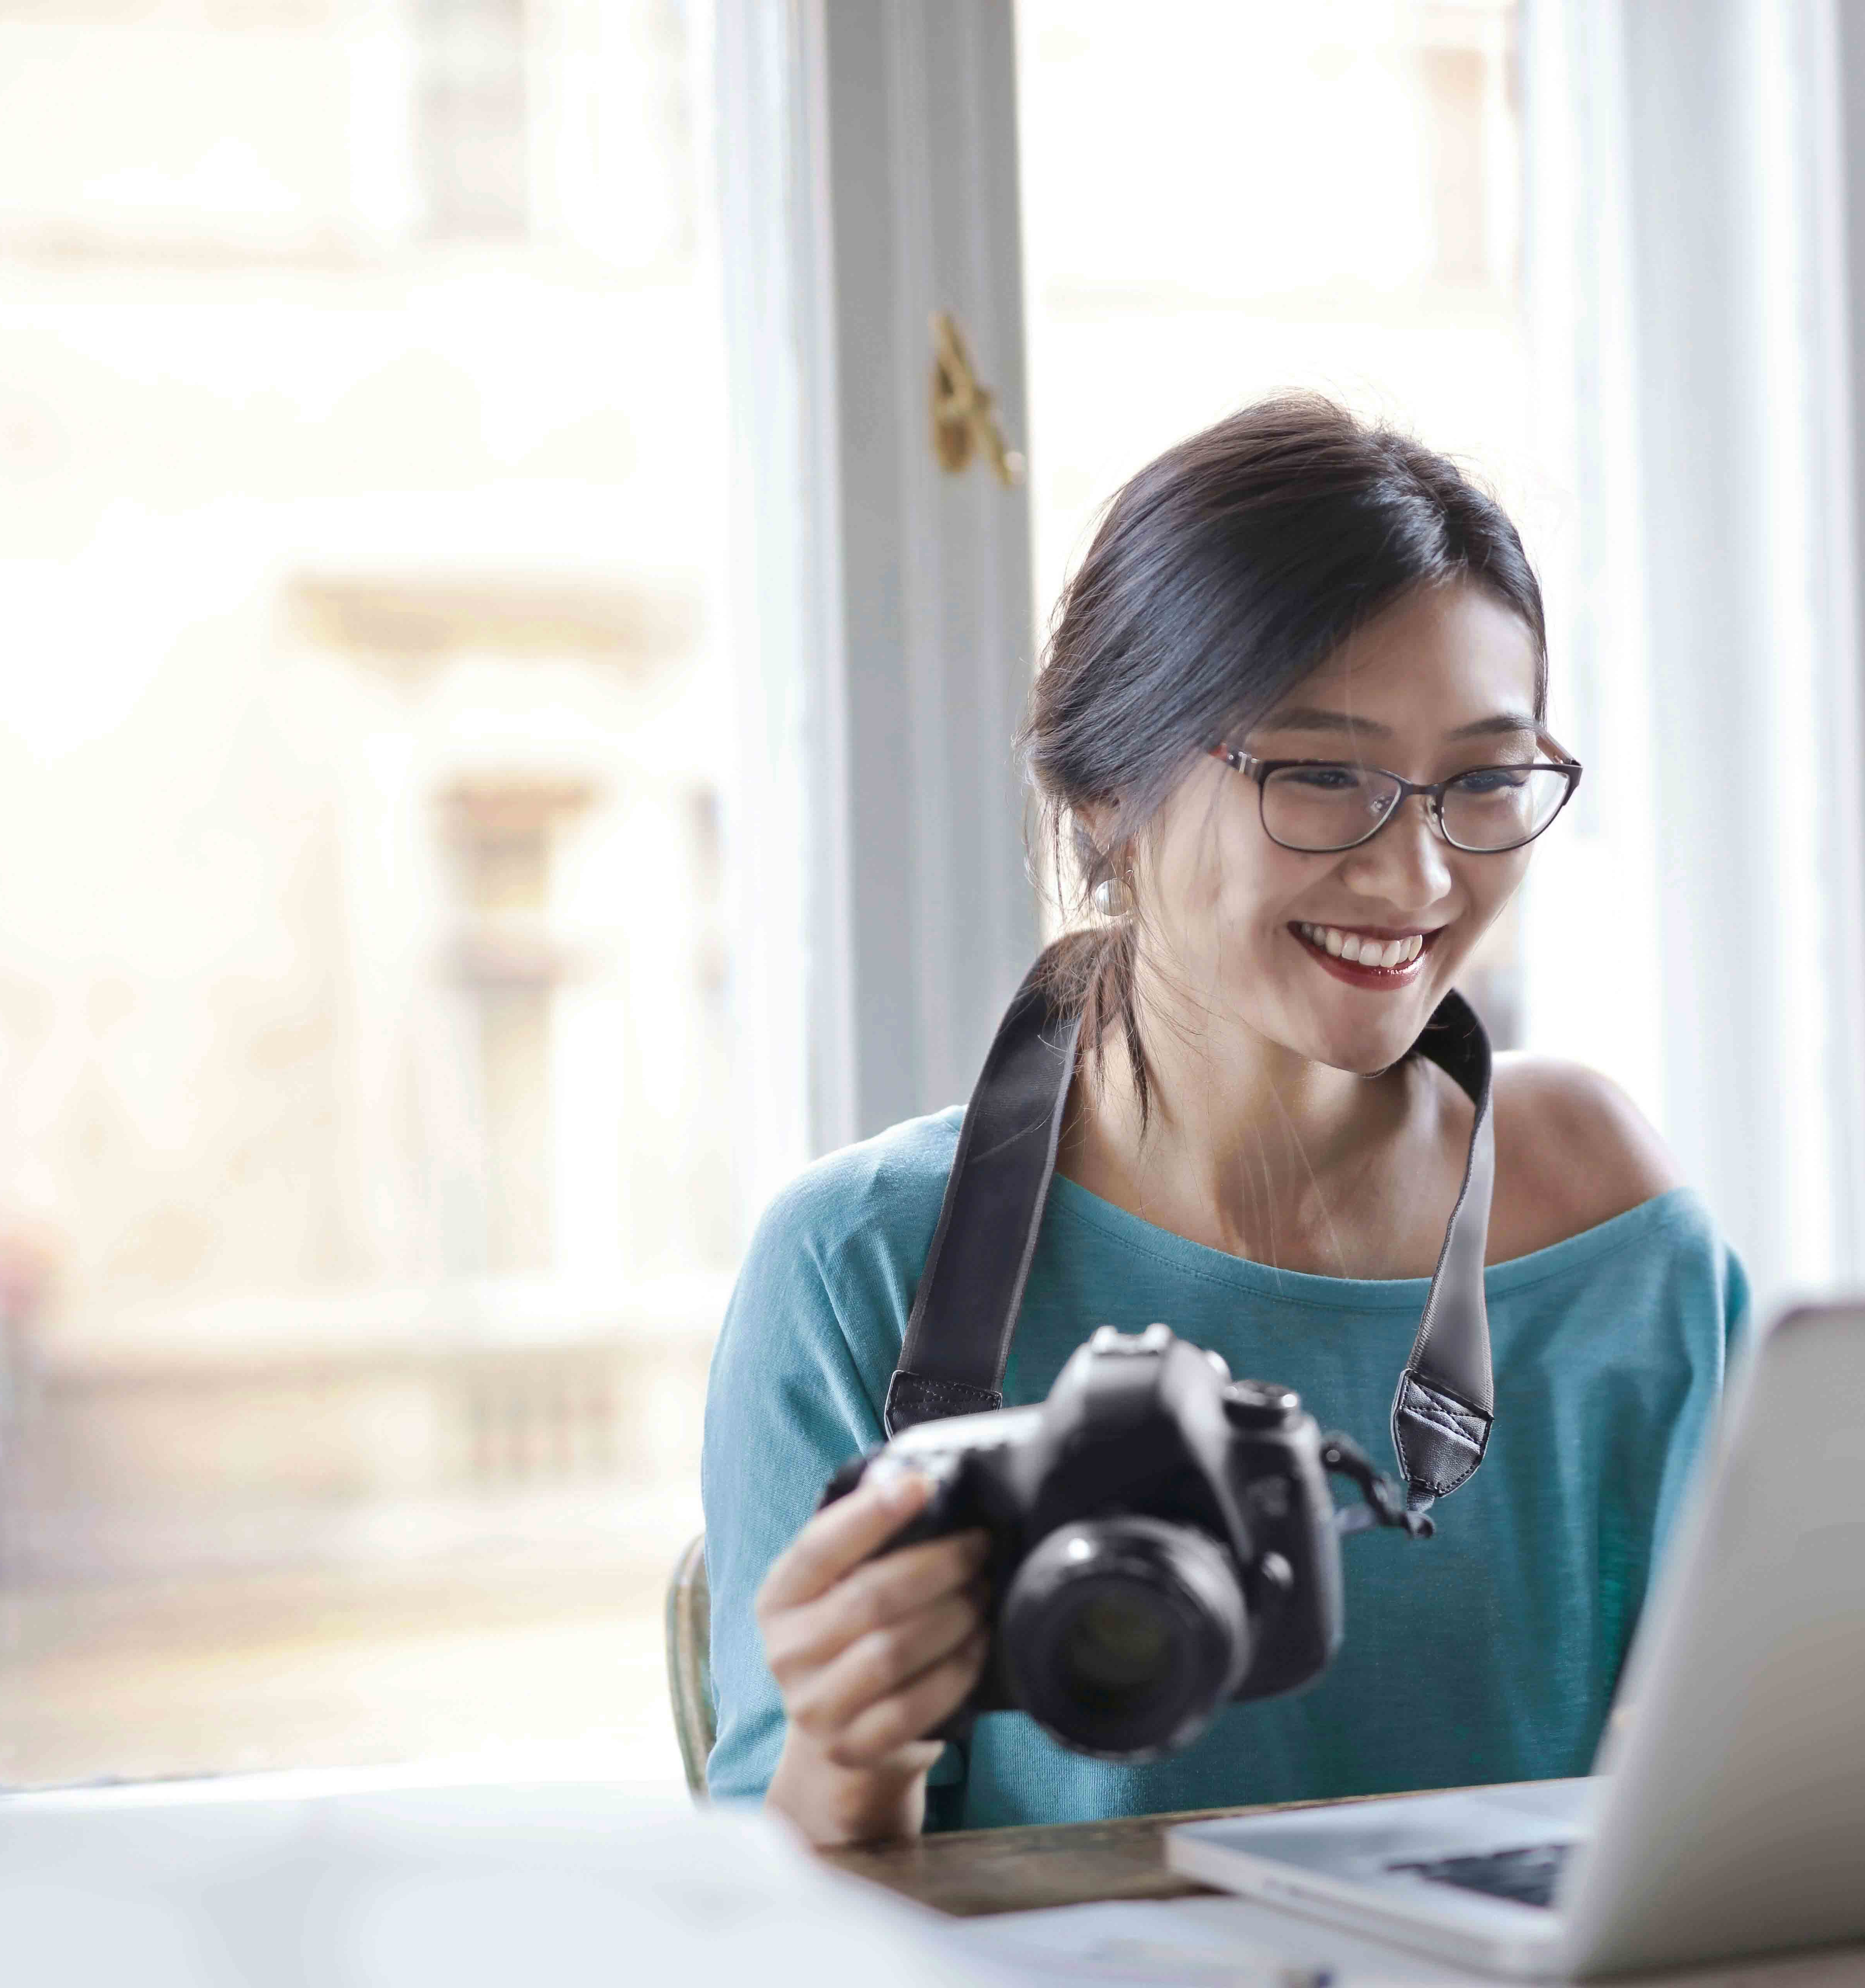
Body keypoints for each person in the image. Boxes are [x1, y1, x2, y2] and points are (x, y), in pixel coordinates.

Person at [702, 394, 1749, 1846]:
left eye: (1484, 782)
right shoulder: (866, 1265)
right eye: (1322, 773)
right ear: (1099, 789)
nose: (1420, 876)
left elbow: (1785, 1778)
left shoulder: (1603, 1214)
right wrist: (854, 1749)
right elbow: (778, 1917)